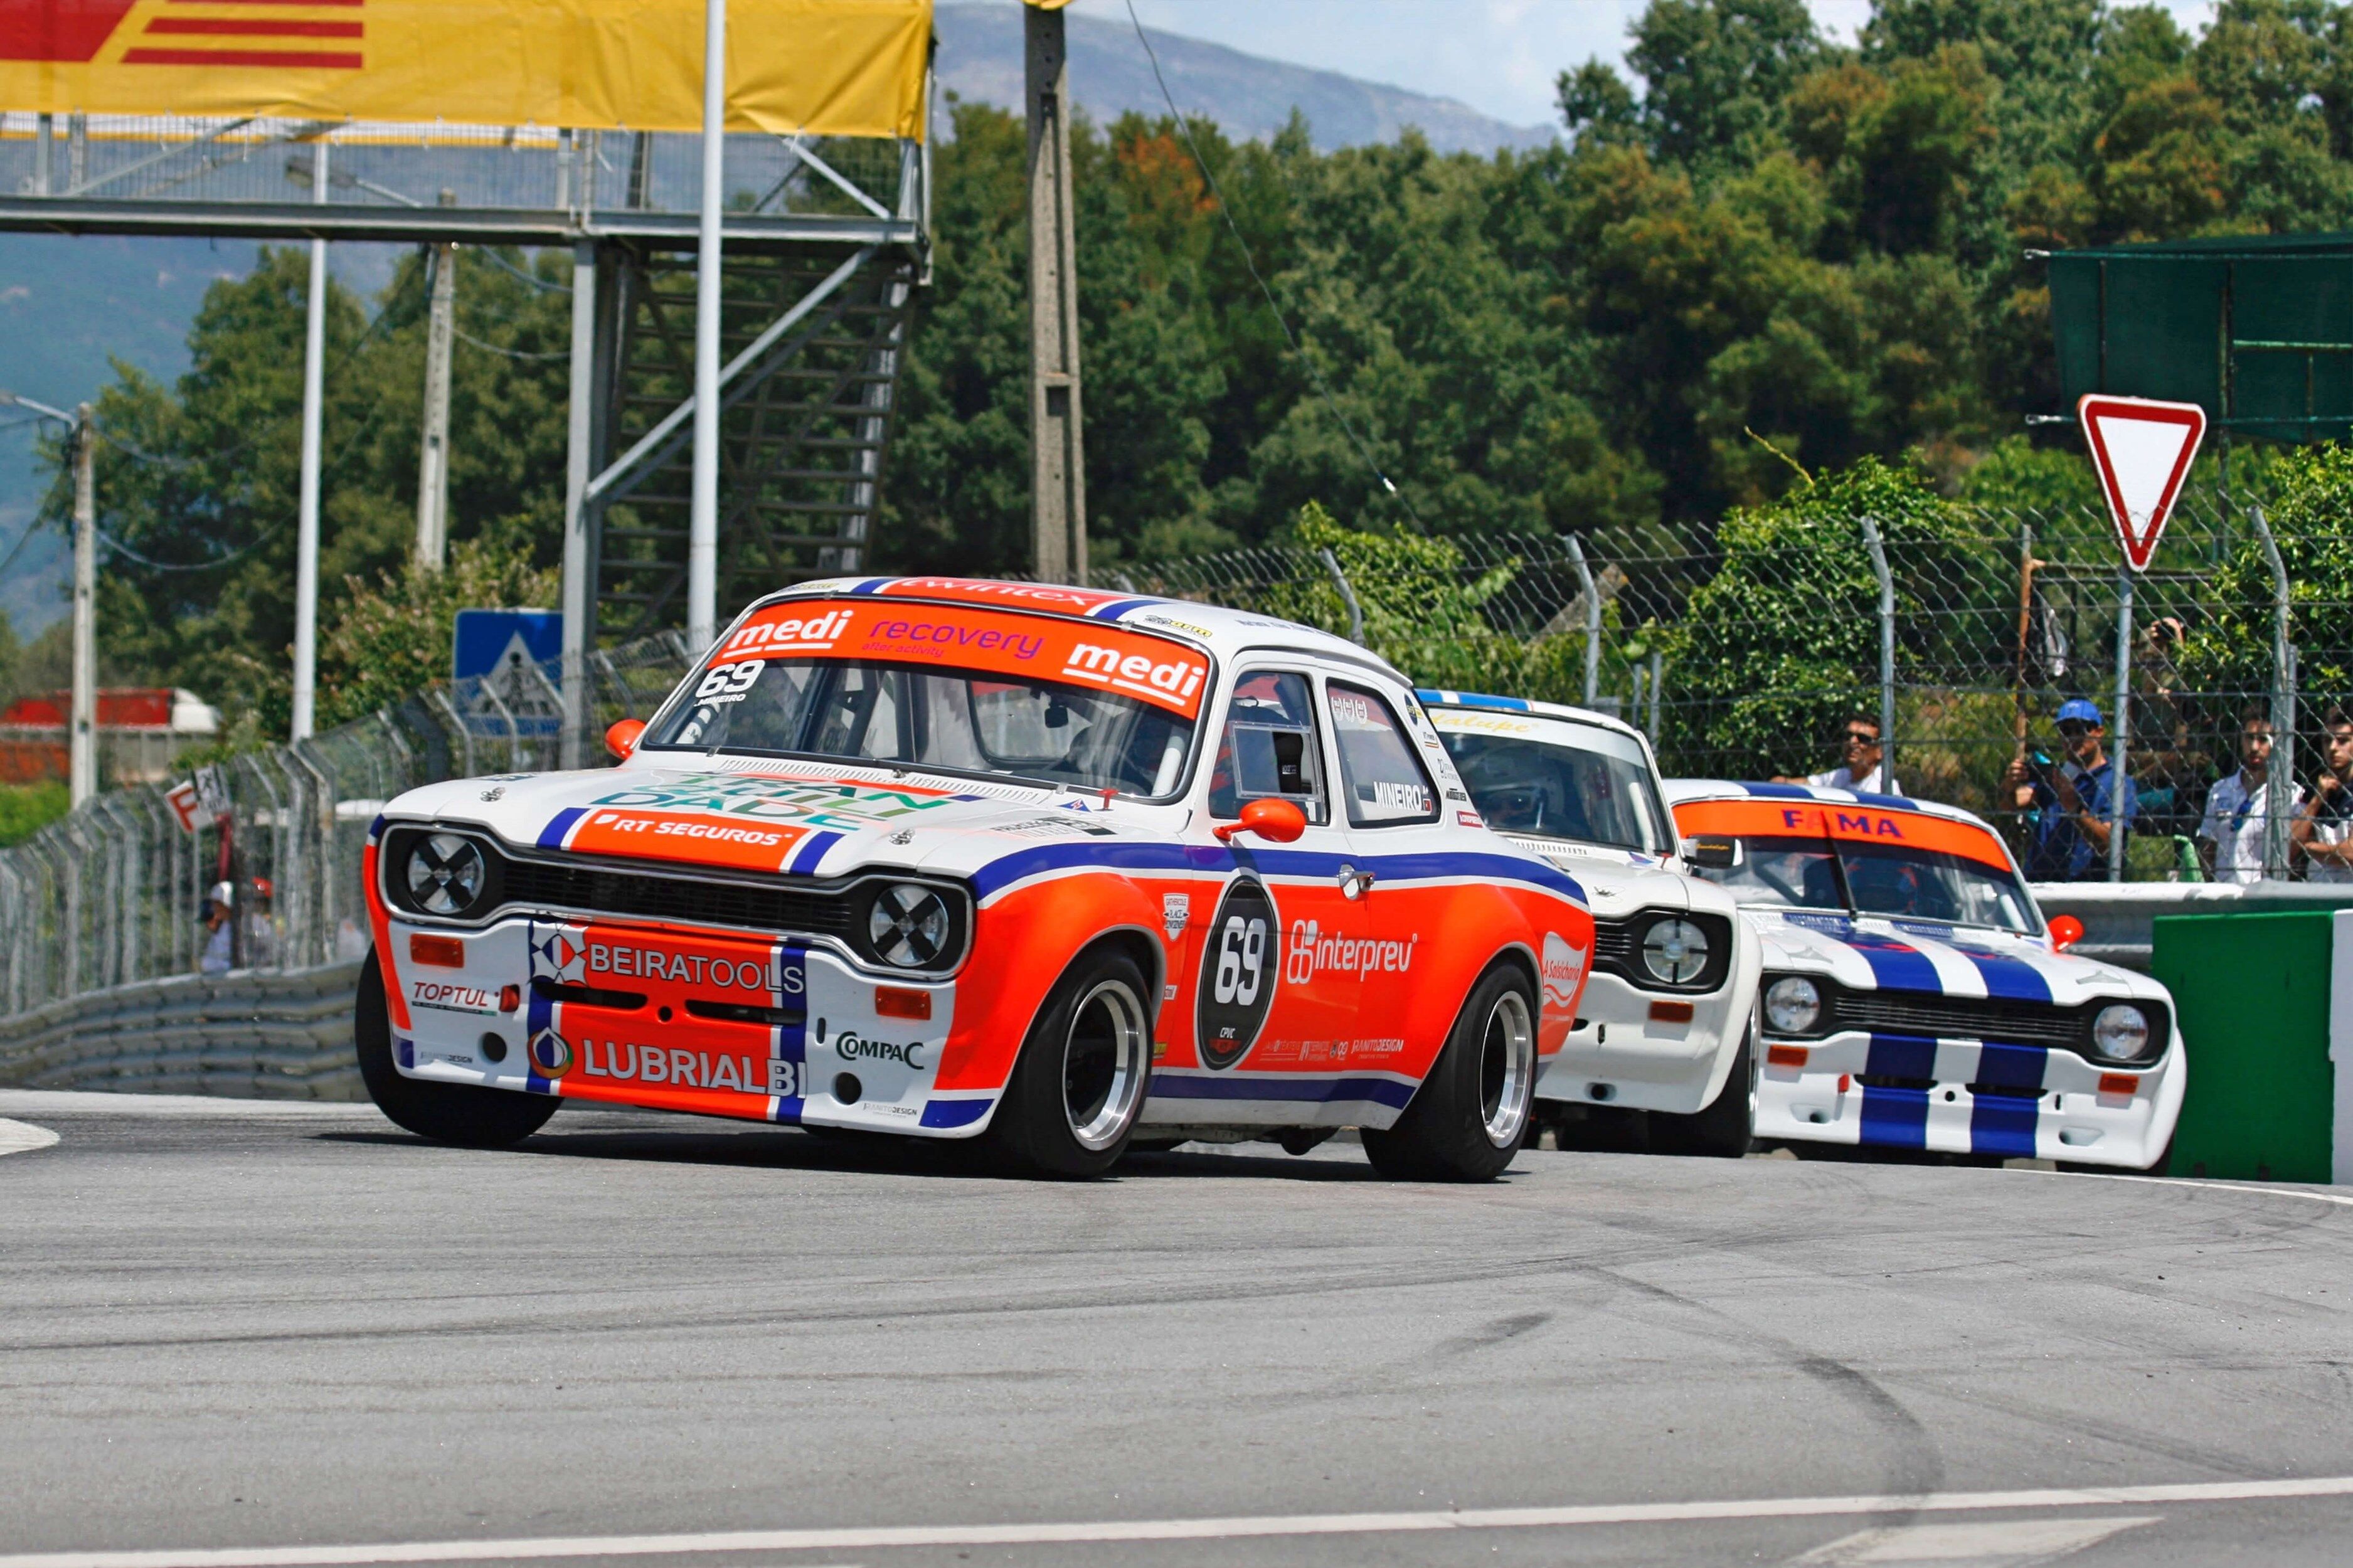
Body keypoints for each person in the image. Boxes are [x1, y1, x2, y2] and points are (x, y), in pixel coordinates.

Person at [2004, 697, 2137, 881]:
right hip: (2039, 883)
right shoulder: (2056, 775)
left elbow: (2110, 843)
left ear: (2099, 732)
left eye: (2082, 729)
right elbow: (2009, 806)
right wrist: (2008, 786)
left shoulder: (2117, 782)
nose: (2073, 737)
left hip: (2087, 888)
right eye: (2066, 731)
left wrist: (2075, 809)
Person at [2197, 704, 2299, 884]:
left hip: (2262, 891)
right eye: (2249, 738)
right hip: (2222, 891)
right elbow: (2209, 845)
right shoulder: (2220, 790)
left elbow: (2293, 851)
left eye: (2263, 740)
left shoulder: (2290, 794)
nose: (2254, 747)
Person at [2293, 707, 2353, 883]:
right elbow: (2288, 848)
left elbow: (2350, 854)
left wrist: (2309, 847)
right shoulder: (2313, 792)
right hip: (2317, 893)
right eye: (2327, 741)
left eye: (2342, 741)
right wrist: (2318, 799)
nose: (2333, 748)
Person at [1778, 713, 1899, 794]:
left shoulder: (1884, 787)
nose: (1852, 742)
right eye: (1848, 736)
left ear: (1880, 751)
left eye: (1863, 739)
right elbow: (1802, 783)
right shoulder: (1842, 776)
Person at [199, 881, 235, 975]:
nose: (215, 908)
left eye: (218, 904)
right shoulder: (221, 928)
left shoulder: (246, 924)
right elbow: (208, 962)